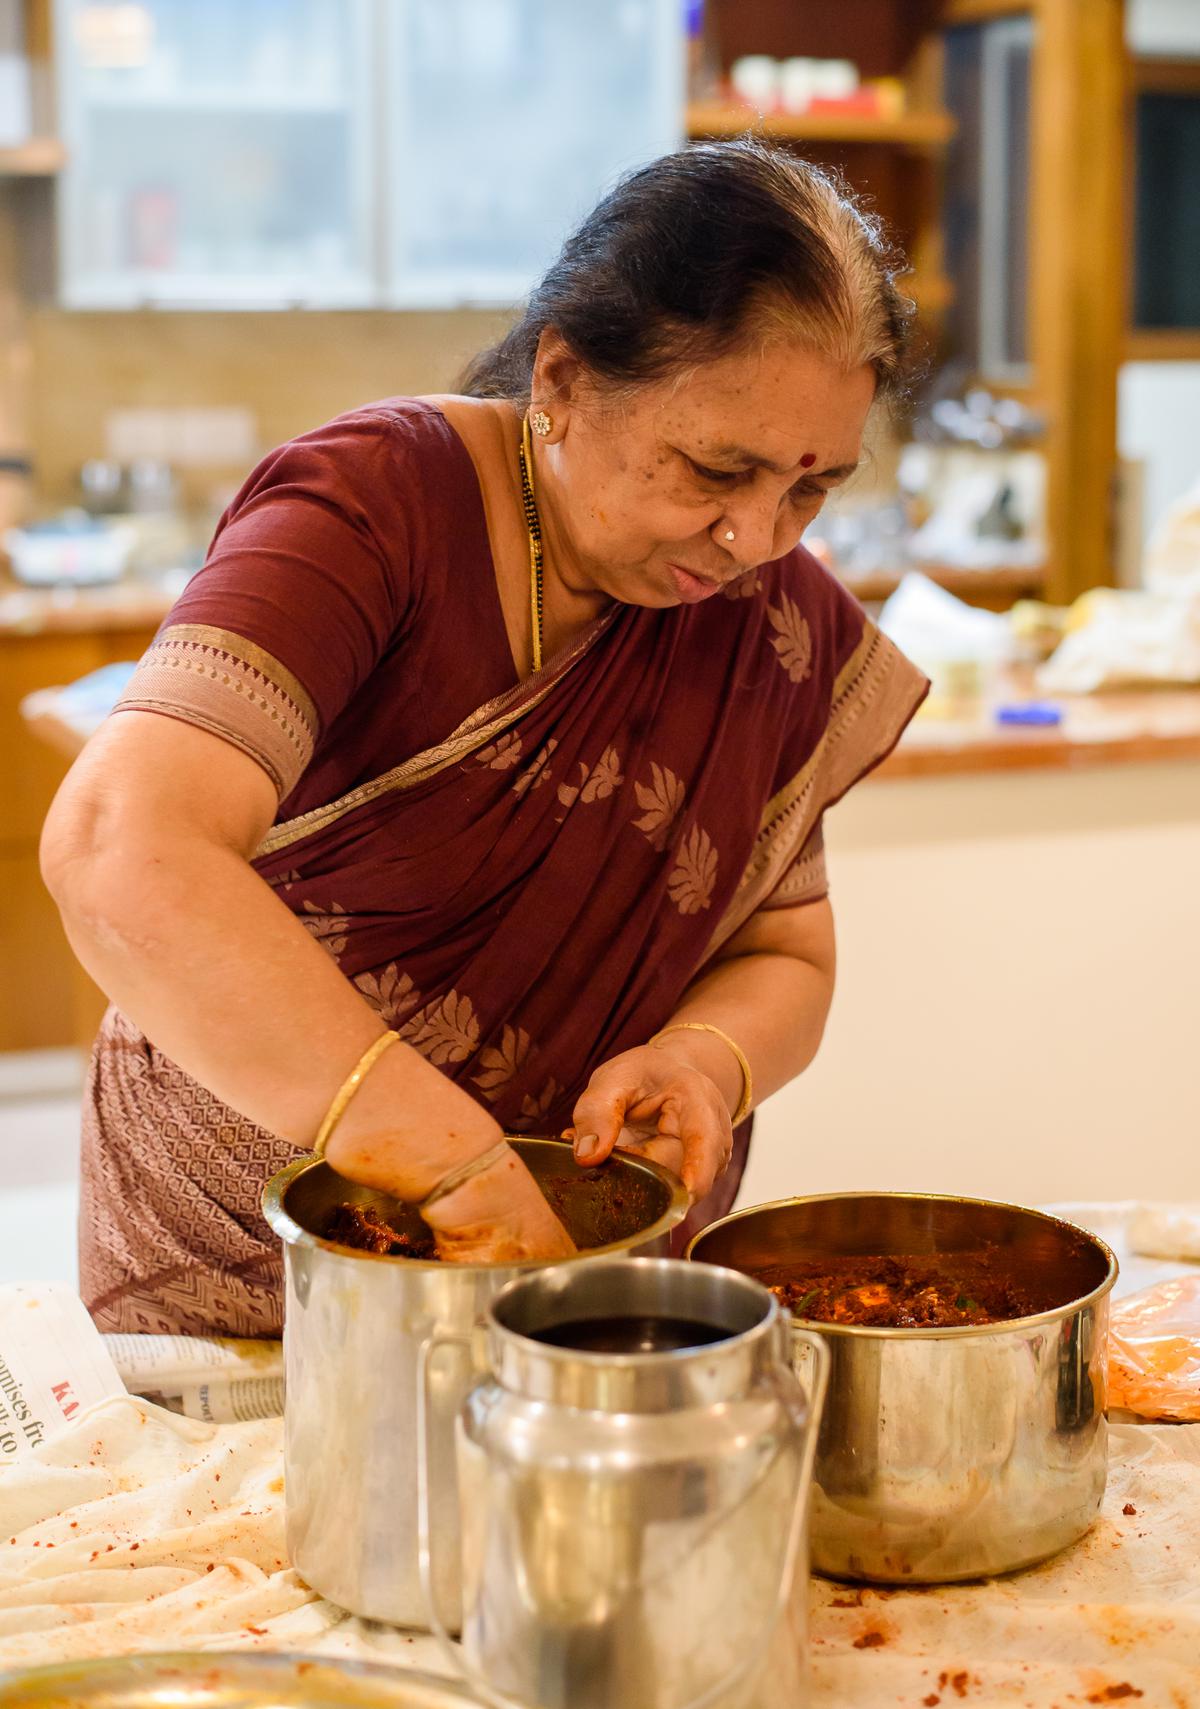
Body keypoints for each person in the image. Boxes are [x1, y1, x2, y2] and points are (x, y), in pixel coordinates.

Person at [42, 140, 927, 1337]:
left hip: (577, 1267)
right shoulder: (376, 508)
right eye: (718, 467)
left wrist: (707, 1057)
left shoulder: (771, 619)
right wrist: (443, 1159)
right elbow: (119, 846)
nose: (756, 538)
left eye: (810, 487)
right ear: (562, 375)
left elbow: (788, 954)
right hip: (262, 1244)